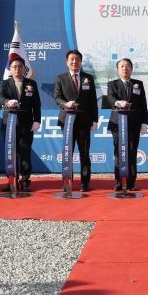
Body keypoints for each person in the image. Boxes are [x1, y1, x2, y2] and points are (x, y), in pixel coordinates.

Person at [54, 50, 98, 192]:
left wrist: (95, 120)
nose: (75, 62)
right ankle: (67, 181)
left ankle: (85, 183)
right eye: (72, 59)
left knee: (84, 153)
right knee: (68, 152)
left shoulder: (88, 78)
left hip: (84, 121)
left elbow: (93, 101)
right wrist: (65, 104)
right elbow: (57, 97)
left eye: (77, 59)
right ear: (67, 62)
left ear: (81, 61)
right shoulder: (61, 78)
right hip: (67, 120)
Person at [0, 55, 42, 192]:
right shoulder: (5, 83)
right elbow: (0, 97)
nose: (17, 69)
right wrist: (7, 102)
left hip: (26, 124)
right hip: (8, 124)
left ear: (24, 69)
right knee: (10, 153)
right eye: (14, 67)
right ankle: (12, 180)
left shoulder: (31, 84)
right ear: (10, 69)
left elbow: (36, 104)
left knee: (25, 152)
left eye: (20, 67)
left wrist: (37, 120)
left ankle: (25, 181)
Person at [107, 58, 148, 191]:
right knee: (118, 152)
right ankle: (119, 181)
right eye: (122, 66)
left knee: (132, 152)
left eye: (127, 66)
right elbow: (110, 98)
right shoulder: (112, 84)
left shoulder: (138, 84)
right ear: (118, 69)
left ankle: (131, 182)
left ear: (131, 69)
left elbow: (143, 104)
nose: (125, 68)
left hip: (134, 123)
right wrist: (118, 103)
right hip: (117, 124)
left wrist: (144, 122)